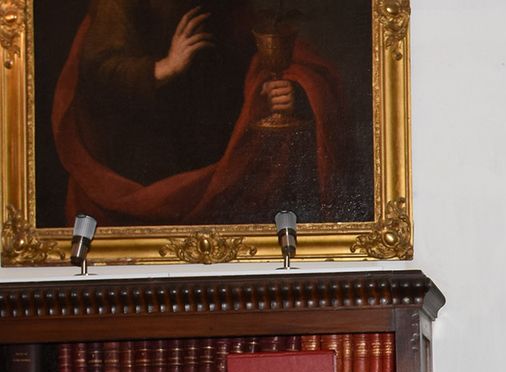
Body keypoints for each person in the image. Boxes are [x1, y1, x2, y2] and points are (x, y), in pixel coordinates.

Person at [51, 2, 348, 225]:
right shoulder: (117, 5)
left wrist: (281, 88)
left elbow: (264, 46)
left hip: (230, 164)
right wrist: (163, 68)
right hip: (149, 165)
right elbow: (98, 71)